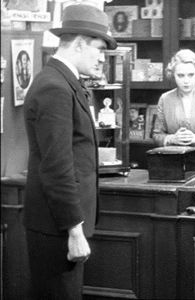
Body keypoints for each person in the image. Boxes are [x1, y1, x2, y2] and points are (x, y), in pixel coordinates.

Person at [23, 4, 116, 299]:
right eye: (98, 49)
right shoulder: (55, 87)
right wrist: (74, 231)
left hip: (58, 225)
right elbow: (57, 167)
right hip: (58, 230)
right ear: (78, 44)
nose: (101, 58)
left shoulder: (63, 82)